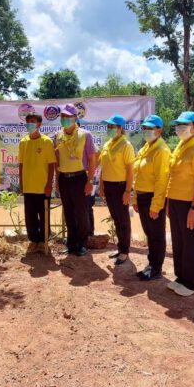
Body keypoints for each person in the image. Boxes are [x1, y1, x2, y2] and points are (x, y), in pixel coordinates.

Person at [167, 112, 194, 296]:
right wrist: (169, 202)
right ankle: (182, 277)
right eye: (178, 124)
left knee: (191, 242)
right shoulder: (181, 145)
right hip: (176, 201)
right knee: (179, 240)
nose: (180, 128)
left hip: (190, 204)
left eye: (185, 124)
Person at [54, 104, 97, 256]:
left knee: (81, 212)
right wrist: (57, 182)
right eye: (62, 116)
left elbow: (92, 159)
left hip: (80, 178)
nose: (65, 119)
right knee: (68, 212)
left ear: (75, 118)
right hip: (64, 179)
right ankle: (71, 244)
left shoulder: (85, 135)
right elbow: (57, 162)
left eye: (68, 116)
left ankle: (82, 244)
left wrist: (90, 181)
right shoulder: (57, 136)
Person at [133, 115, 170, 280]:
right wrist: (135, 198)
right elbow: (138, 175)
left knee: (156, 235)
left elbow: (162, 180)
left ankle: (156, 269)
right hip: (142, 197)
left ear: (159, 130)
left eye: (150, 128)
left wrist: (156, 205)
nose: (146, 131)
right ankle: (151, 264)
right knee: (150, 233)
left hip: (153, 198)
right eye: (144, 128)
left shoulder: (162, 151)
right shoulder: (145, 148)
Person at [98, 114, 135, 265]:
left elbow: (130, 170)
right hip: (109, 186)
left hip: (120, 187)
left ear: (120, 128)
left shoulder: (126, 145)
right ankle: (120, 248)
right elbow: (103, 167)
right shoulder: (107, 144)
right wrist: (101, 186)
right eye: (108, 126)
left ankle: (125, 251)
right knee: (116, 218)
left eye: (112, 126)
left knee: (123, 220)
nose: (109, 129)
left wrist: (127, 191)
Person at [18, 112, 56, 254]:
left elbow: (51, 164)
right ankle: (33, 241)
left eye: (33, 122)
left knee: (44, 216)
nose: (30, 124)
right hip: (28, 187)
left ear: (39, 124)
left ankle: (43, 241)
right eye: (28, 122)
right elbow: (21, 164)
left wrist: (49, 184)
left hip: (43, 187)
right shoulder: (23, 142)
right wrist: (21, 183)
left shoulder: (46, 141)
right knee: (30, 217)